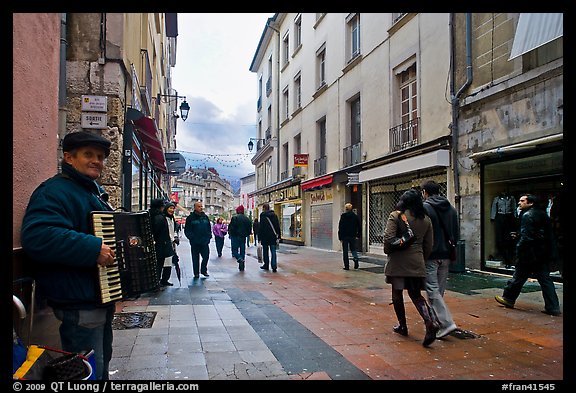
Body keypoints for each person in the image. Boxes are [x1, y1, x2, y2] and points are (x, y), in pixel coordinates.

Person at [21, 131, 115, 379]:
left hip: (96, 296)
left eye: (100, 156)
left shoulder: (90, 192)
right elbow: (37, 236)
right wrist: (93, 248)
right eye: (88, 155)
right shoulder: (54, 190)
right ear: (69, 158)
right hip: (78, 299)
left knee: (99, 363)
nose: (96, 160)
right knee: (86, 370)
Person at [383, 189, 438, 347]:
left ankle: (402, 325)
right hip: (417, 261)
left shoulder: (396, 215)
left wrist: (389, 251)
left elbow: (388, 238)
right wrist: (421, 259)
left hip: (398, 262)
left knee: (397, 294)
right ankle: (430, 322)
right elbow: (429, 245)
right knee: (416, 295)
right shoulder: (426, 219)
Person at [494, 194, 561, 316]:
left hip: (529, 254)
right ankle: (553, 306)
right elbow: (541, 234)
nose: (519, 203)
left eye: (522, 201)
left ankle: (508, 298)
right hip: (542, 253)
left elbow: (527, 237)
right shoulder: (542, 214)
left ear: (530, 203)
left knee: (518, 277)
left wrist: (518, 250)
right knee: (545, 280)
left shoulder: (527, 215)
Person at [421, 180, 459, 338]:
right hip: (447, 254)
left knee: (432, 289)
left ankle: (446, 323)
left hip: (432, 254)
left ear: (425, 192)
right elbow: (456, 233)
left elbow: (423, 231)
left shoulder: (425, 207)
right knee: (439, 290)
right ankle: (437, 319)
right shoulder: (451, 208)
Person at [149, 198, 174, 287]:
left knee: (159, 264)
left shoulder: (153, 215)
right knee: (159, 264)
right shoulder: (160, 217)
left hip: (159, 244)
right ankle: (156, 283)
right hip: (161, 244)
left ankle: (157, 282)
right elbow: (158, 231)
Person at [184, 201, 212, 278]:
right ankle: (196, 272)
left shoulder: (205, 217)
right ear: (195, 207)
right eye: (199, 206)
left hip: (204, 241)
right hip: (195, 242)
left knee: (206, 256)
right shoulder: (190, 218)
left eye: (201, 206)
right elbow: (187, 230)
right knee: (195, 258)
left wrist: (209, 236)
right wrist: (192, 238)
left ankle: (203, 270)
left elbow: (209, 228)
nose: (201, 208)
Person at [228, 205, 253, 271]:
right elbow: (249, 229)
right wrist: (246, 234)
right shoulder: (247, 219)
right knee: (242, 251)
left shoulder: (234, 218)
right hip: (243, 237)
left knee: (234, 250)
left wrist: (231, 234)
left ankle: (239, 258)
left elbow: (231, 227)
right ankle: (242, 266)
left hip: (235, 236)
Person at [159, 201, 178, 286]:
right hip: (165, 243)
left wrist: (175, 237)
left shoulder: (172, 218)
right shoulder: (163, 218)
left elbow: (173, 230)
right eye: (170, 208)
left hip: (171, 243)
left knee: (169, 262)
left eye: (173, 208)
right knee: (163, 263)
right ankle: (159, 280)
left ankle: (165, 280)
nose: (172, 210)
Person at [338, 203, 361, 270]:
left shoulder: (343, 216)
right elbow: (359, 226)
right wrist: (358, 235)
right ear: (351, 209)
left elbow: (340, 226)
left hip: (344, 236)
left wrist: (340, 236)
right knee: (353, 249)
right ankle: (356, 259)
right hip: (352, 236)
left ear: (346, 209)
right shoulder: (355, 216)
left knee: (345, 251)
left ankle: (346, 266)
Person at [258, 203, 281, 272]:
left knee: (265, 251)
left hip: (265, 237)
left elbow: (261, 227)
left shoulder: (263, 215)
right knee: (273, 251)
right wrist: (279, 235)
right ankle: (274, 266)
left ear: (264, 208)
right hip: (273, 236)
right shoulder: (274, 215)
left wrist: (259, 237)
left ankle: (266, 265)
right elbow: (277, 225)